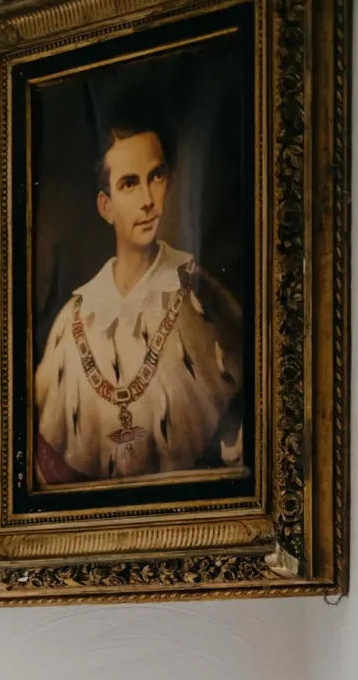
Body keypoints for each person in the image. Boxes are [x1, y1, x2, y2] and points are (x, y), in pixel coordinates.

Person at [33, 115, 245, 484]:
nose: (148, 200)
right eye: (129, 184)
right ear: (106, 206)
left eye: (156, 177)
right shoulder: (73, 321)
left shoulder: (201, 295)